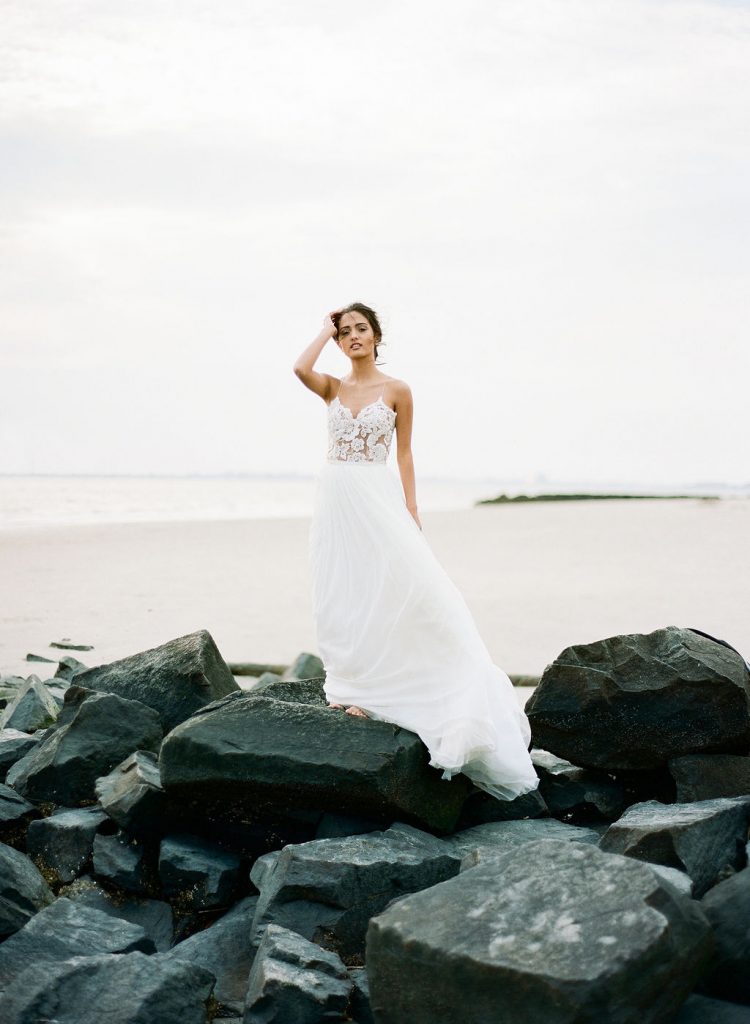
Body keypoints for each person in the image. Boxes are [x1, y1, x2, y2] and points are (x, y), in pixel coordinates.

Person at [293, 303, 539, 801]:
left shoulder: (398, 390)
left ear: (376, 335)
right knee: (344, 591)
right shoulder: (333, 389)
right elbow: (300, 368)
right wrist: (322, 329)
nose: (353, 337)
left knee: (408, 587)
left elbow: (404, 452)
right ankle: (353, 690)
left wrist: (411, 506)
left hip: (377, 498)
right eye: (345, 332)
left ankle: (424, 684)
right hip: (337, 501)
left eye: (360, 329)